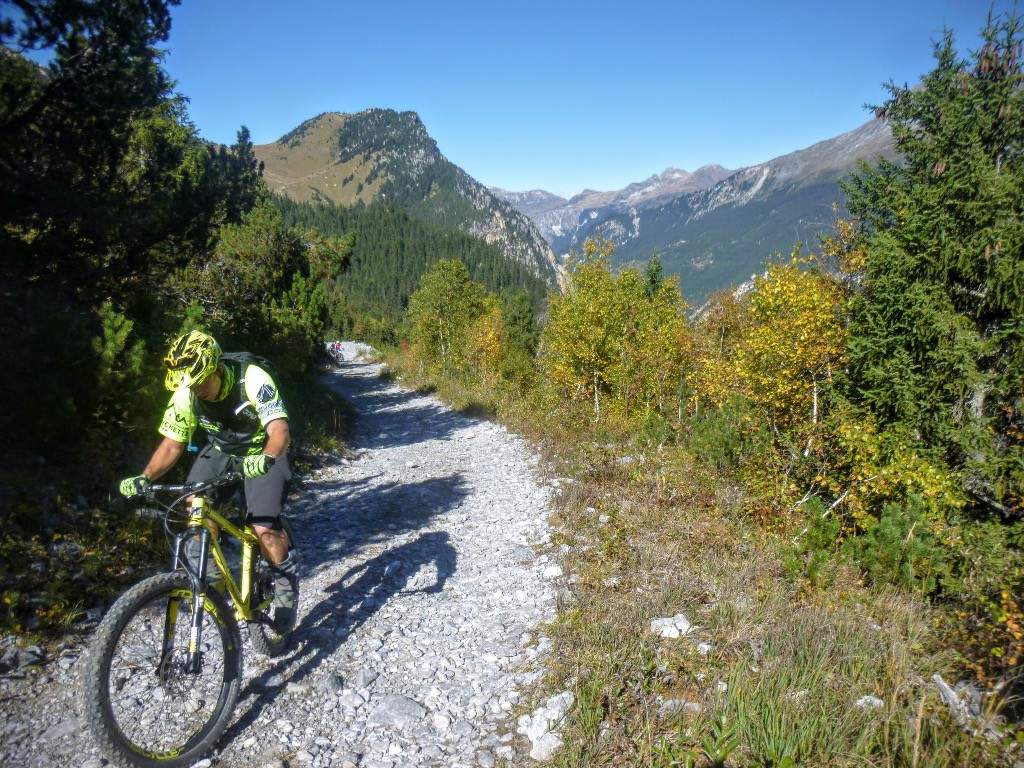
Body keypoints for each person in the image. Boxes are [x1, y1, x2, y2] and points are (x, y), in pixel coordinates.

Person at [119, 330, 298, 630]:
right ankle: (212, 578)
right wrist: (145, 476)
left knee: (264, 528)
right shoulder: (186, 391)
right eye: (191, 385)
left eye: (201, 382)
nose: (197, 390)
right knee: (195, 508)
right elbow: (172, 444)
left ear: (216, 368)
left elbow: (279, 430)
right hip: (221, 450)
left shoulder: (252, 378)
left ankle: (284, 586)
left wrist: (267, 457)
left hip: (261, 450)